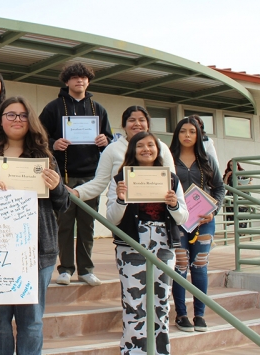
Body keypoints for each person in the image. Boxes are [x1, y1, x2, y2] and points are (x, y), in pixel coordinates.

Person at [0, 96, 70, 355]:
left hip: (37, 251)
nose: (17, 120)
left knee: (31, 321)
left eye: (22, 115)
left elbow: (63, 204)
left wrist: (57, 187)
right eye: (10, 114)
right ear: (0, 119)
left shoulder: (44, 157)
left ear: (30, 120)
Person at [108, 131, 188, 355]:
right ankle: (133, 351)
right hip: (131, 245)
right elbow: (111, 218)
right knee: (134, 304)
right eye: (140, 145)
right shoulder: (121, 178)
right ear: (132, 150)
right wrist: (122, 200)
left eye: (151, 145)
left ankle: (160, 351)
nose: (146, 149)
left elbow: (183, 217)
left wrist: (173, 205)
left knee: (161, 303)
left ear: (158, 149)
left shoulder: (171, 179)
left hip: (163, 243)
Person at [39, 63, 112, 286]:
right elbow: (40, 137)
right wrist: (53, 142)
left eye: (84, 78)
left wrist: (104, 141)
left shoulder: (98, 108)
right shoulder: (53, 107)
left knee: (87, 225)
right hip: (65, 176)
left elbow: (108, 139)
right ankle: (66, 269)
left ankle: (86, 269)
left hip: (91, 177)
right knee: (65, 224)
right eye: (75, 77)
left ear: (88, 81)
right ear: (66, 81)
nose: (80, 81)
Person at [169, 117, 224, 333]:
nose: (188, 135)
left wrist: (214, 210)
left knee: (200, 266)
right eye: (183, 131)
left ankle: (199, 314)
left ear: (199, 134)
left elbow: (219, 188)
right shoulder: (169, 159)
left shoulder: (207, 159)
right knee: (180, 266)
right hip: (179, 220)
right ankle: (181, 314)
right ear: (177, 134)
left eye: (192, 131)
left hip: (204, 221)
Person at [73, 105, 176, 210]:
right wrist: (76, 192)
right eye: (132, 120)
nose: (137, 124)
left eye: (142, 120)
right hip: (121, 211)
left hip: (156, 212)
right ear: (124, 125)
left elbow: (172, 181)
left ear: (148, 124)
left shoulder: (161, 147)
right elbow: (99, 182)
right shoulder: (112, 149)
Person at [223, 160, 251, 227]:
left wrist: (242, 185)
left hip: (243, 194)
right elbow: (224, 186)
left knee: (242, 211)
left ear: (238, 165)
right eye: (230, 165)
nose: (232, 167)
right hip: (232, 195)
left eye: (234, 165)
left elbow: (250, 184)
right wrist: (227, 176)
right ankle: (232, 222)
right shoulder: (228, 174)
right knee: (233, 209)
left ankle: (242, 229)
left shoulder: (243, 173)